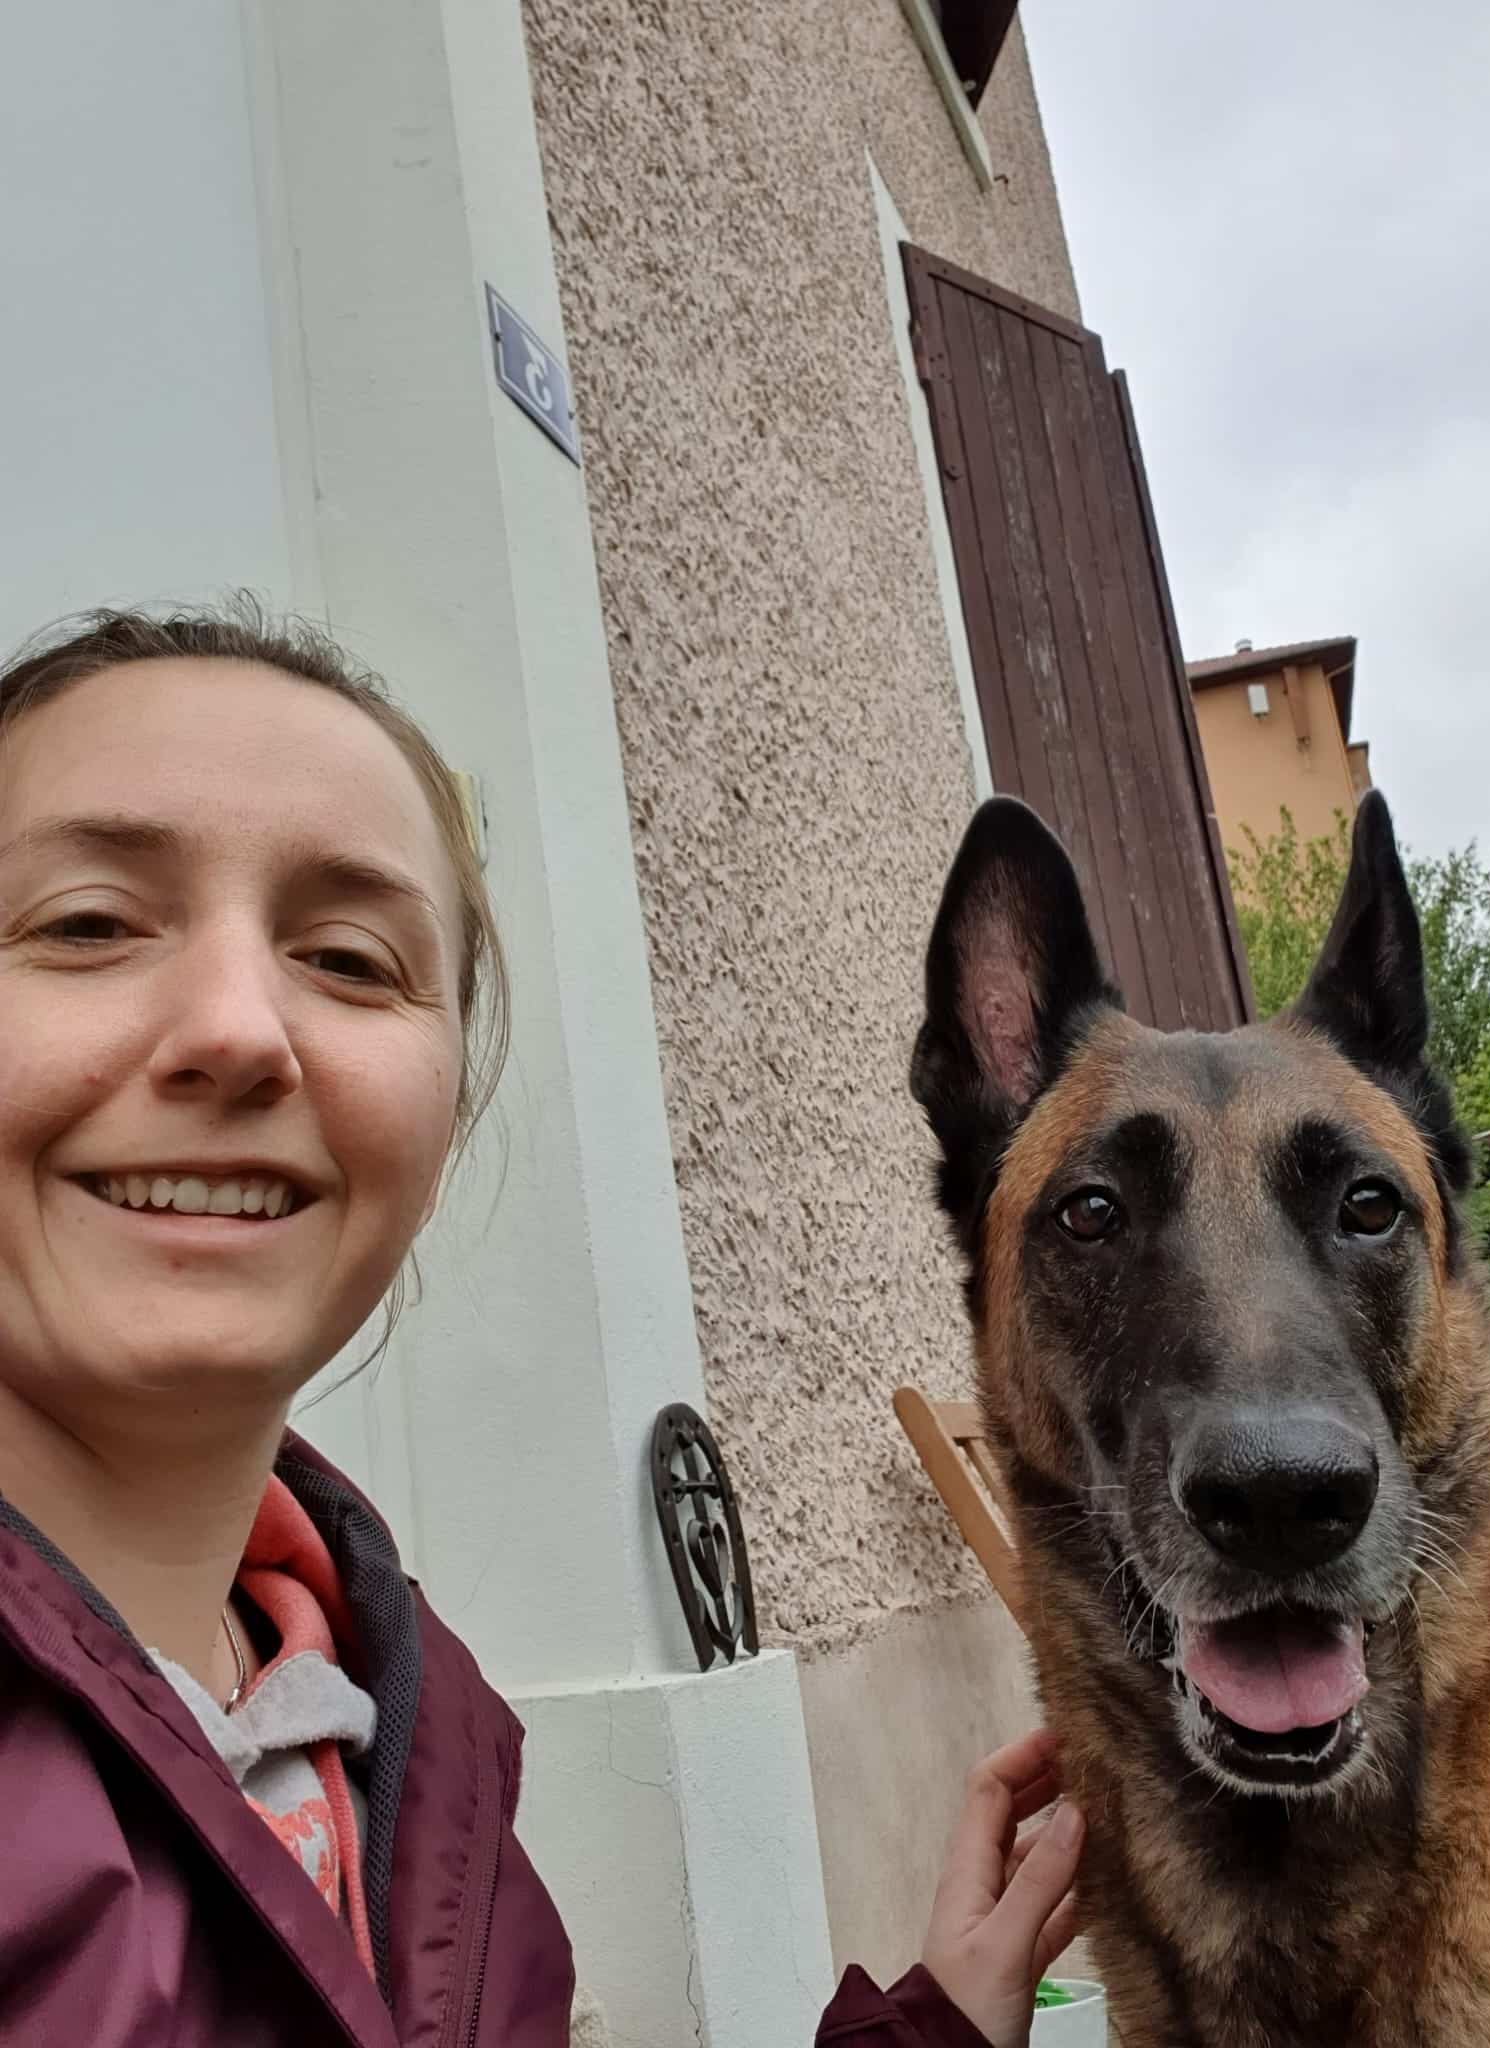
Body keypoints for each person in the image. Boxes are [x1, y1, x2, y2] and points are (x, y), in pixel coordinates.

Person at [0, 604, 1083, 2046]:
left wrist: (938, 2023)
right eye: (86, 924)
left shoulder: (409, 1728)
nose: (240, 1031)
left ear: (445, 1108)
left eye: (349, 958)